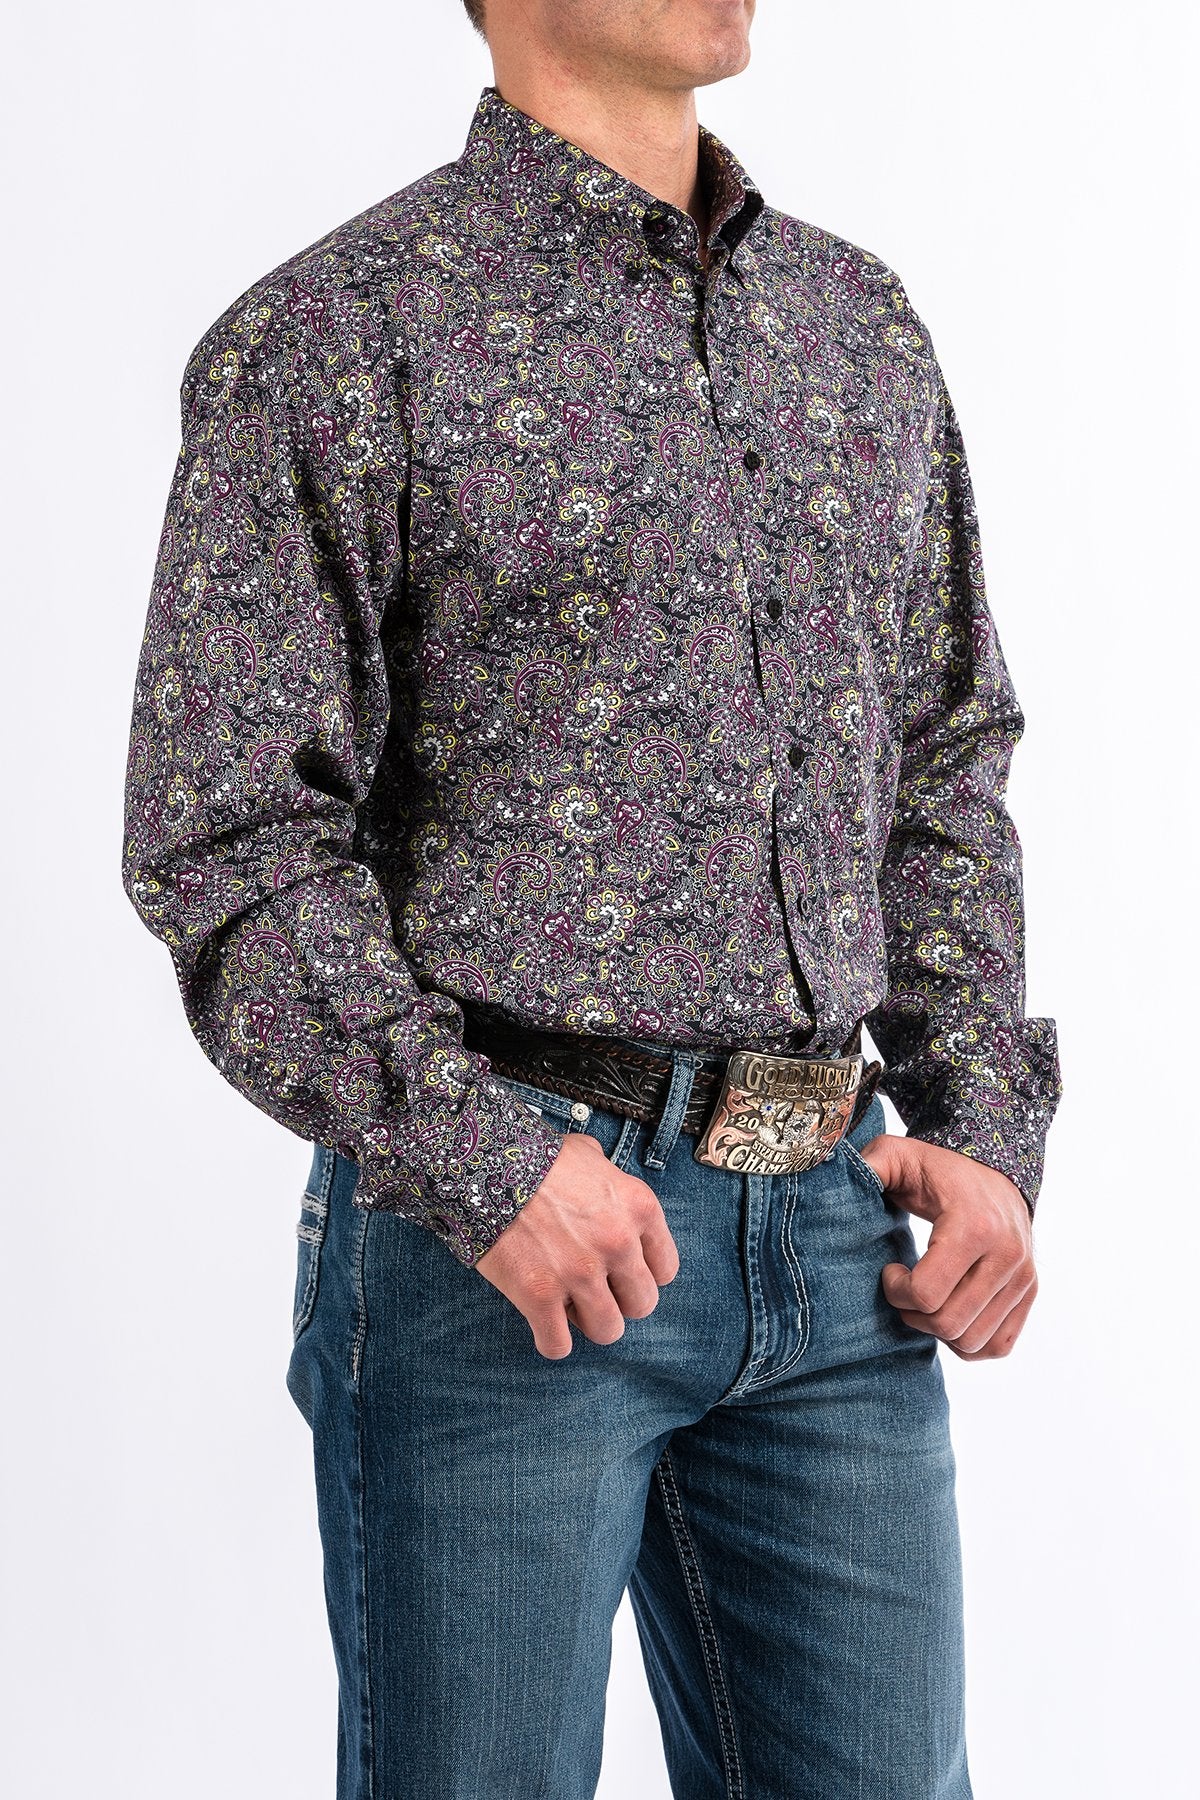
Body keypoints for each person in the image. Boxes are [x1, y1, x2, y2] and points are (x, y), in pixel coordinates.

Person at [120, 2, 1062, 1793]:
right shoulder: (335, 336)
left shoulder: (856, 327)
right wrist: (483, 1164)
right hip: (508, 1254)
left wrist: (984, 1125)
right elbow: (227, 833)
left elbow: (945, 752)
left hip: (844, 1250)